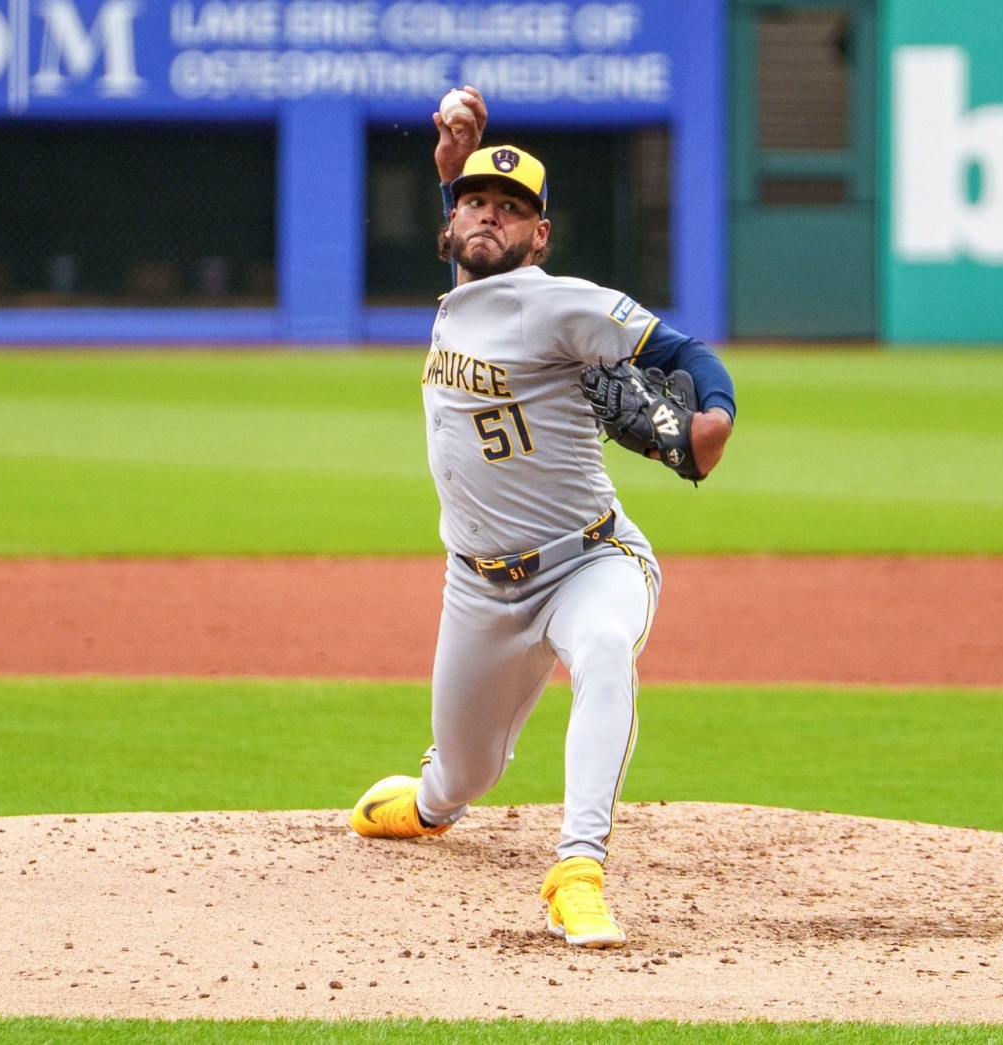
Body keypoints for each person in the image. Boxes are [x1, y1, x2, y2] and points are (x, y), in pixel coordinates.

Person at [349, 87, 737, 949]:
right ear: (451, 222)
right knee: (464, 774)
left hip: (589, 560)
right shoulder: (461, 295)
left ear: (540, 235)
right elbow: (470, 250)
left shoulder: (560, 302)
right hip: (477, 587)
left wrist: (714, 416)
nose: (491, 215)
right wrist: (453, 165)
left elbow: (685, 352)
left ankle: (578, 871)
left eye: (513, 208)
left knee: (604, 649)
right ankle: (432, 803)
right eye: (477, 202)